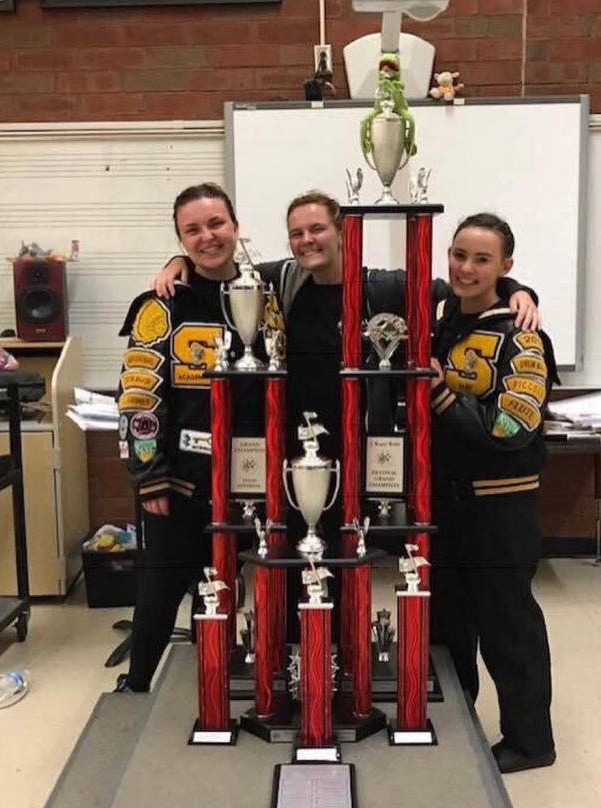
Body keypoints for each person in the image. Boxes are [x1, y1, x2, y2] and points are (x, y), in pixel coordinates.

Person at [150, 192, 541, 641]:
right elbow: (218, 273)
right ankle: (302, 673)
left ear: (342, 233)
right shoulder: (279, 284)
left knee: (351, 573)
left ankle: (346, 673)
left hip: (360, 465)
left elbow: (461, 291)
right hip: (291, 468)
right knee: (293, 573)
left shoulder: (383, 288)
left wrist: (517, 291)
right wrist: (176, 263)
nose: (306, 240)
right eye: (296, 233)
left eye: (317, 229)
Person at [115, 182, 262, 692]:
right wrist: (149, 477)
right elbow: (137, 399)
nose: (207, 237)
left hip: (247, 485)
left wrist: (519, 292)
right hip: (177, 487)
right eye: (192, 230)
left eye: (216, 224)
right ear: (180, 239)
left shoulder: (267, 296)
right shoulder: (160, 305)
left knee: (221, 592)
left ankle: (213, 686)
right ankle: (135, 689)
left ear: (236, 227)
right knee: (157, 591)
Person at [429, 212, 558, 773]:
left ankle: (531, 743)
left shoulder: (524, 337)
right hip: (442, 506)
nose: (465, 268)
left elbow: (509, 429)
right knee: (446, 627)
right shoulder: (437, 319)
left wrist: (439, 396)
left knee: (507, 627)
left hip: (500, 504)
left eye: (482, 259)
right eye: (459, 254)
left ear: (505, 267)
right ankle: (455, 728)